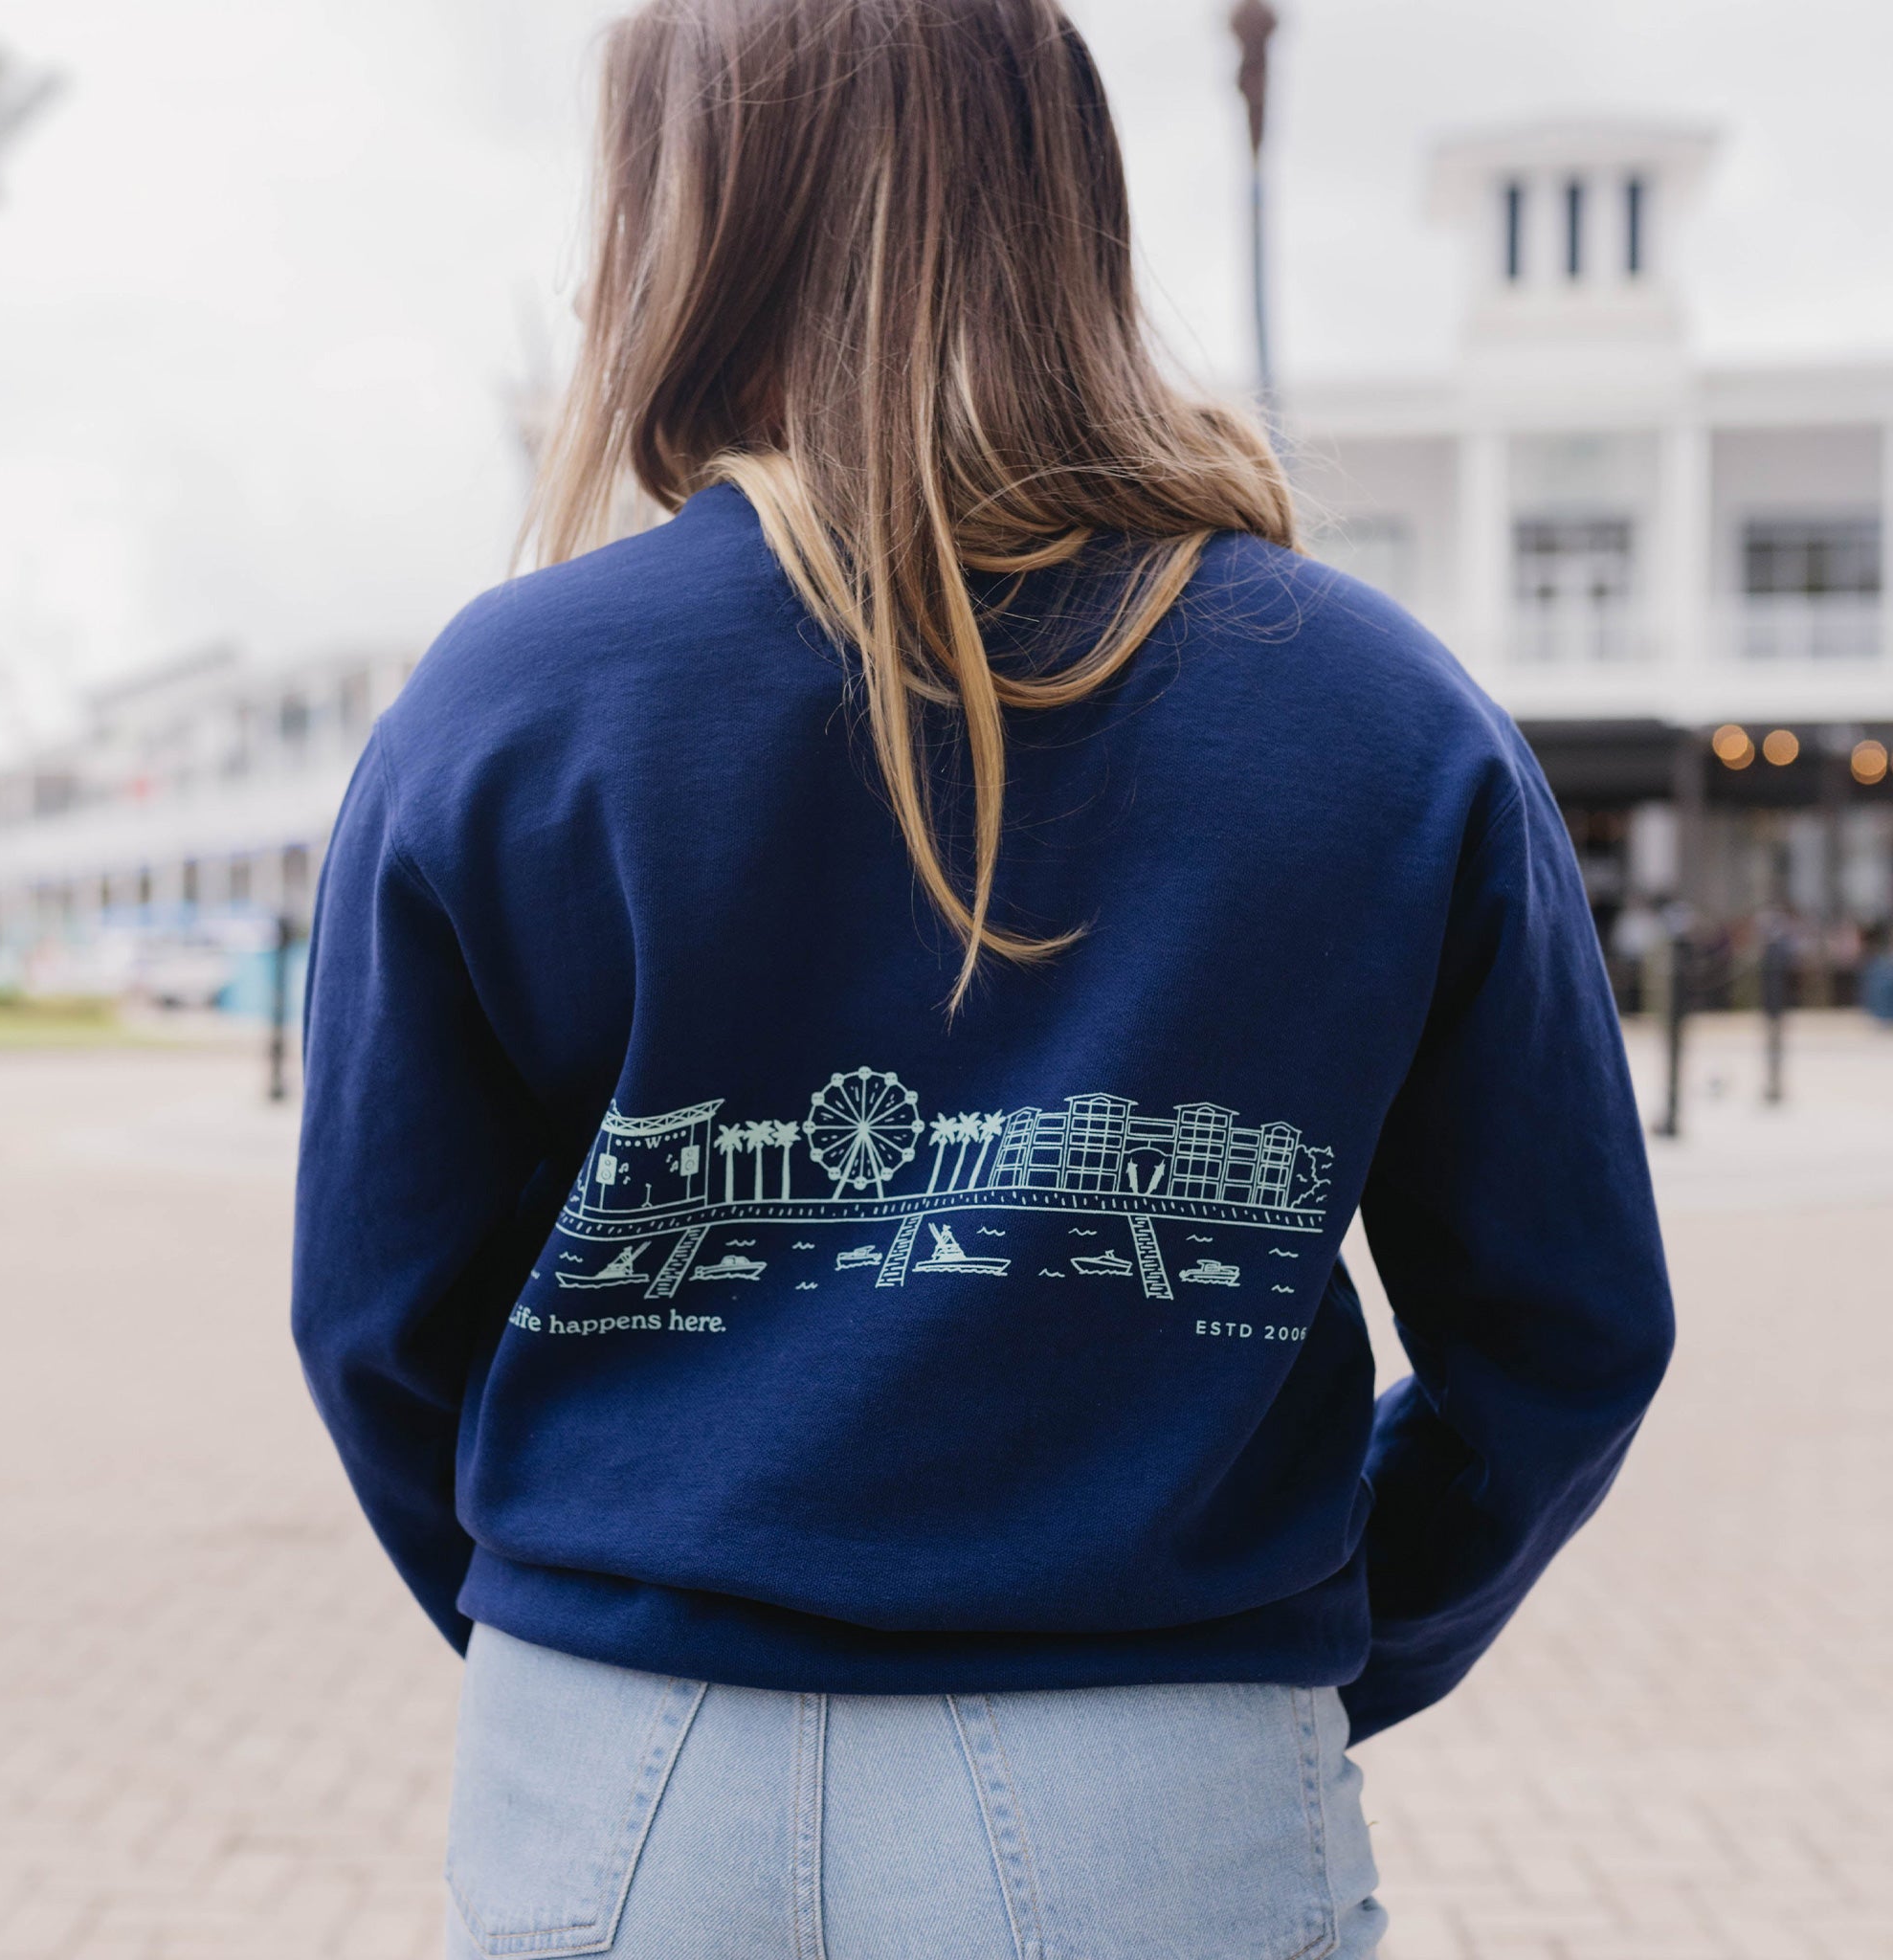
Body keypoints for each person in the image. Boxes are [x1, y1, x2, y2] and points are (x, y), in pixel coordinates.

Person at [291, 0, 1675, 1951]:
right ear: (1064, 205)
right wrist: (1313, 1615)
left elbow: (375, 1318)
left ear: (681, 219)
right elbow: (1568, 1333)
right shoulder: (1383, 717)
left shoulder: (504, 706)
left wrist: (593, 1600)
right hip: (1159, 1756)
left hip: (620, 1774)